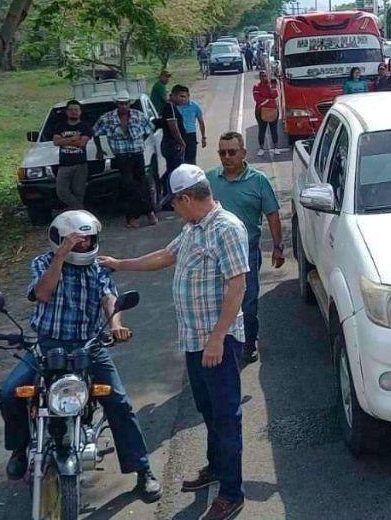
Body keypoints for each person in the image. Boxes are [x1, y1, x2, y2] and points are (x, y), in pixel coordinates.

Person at [101, 166, 248, 520]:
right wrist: (120, 264)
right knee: (208, 411)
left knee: (226, 416)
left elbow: (238, 285)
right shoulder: (193, 228)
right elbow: (166, 256)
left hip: (218, 342)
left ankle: (231, 493)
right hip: (195, 341)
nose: (174, 209)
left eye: (175, 203)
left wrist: (217, 338)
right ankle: (217, 466)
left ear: (186, 198)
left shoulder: (226, 228)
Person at [0, 211, 161, 501]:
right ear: (59, 239)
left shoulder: (99, 268)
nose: (84, 244)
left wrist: (115, 325)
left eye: (88, 239)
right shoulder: (43, 263)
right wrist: (61, 257)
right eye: (77, 240)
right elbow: (43, 293)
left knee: (119, 402)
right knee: (10, 393)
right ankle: (19, 450)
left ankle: (142, 470)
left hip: (89, 346)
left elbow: (109, 298)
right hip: (47, 345)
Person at [207, 133, 283, 365]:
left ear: (243, 153)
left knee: (247, 302)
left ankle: (249, 343)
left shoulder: (258, 181)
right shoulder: (209, 180)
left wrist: (278, 247)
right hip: (214, 255)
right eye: (222, 152)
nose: (227, 157)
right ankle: (221, 343)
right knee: (217, 302)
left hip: (246, 253)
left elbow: (272, 214)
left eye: (232, 152)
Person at [94, 93, 158, 229]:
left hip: (137, 154)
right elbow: (95, 132)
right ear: (116, 104)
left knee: (142, 183)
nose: (123, 106)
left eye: (126, 103)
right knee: (128, 186)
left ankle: (148, 213)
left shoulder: (139, 115)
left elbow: (150, 129)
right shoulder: (107, 118)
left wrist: (140, 141)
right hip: (121, 156)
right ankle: (134, 215)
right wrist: (99, 150)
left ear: (130, 103)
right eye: (120, 103)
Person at [53, 99, 93, 210]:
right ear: (66, 112)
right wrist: (73, 138)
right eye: (71, 110)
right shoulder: (60, 126)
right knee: (61, 191)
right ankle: (80, 209)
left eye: (76, 110)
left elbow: (82, 143)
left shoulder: (85, 126)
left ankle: (76, 213)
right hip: (64, 165)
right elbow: (56, 142)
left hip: (80, 164)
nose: (73, 112)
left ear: (80, 112)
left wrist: (64, 140)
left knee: (79, 192)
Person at [160, 85, 190, 195]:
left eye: (185, 97)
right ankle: (169, 194)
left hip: (171, 144)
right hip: (172, 144)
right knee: (174, 172)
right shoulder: (170, 107)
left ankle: (166, 190)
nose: (183, 99)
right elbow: (173, 127)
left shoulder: (172, 107)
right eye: (181, 96)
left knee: (172, 169)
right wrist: (182, 143)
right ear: (173, 95)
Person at [252, 71, 284, 157]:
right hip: (260, 112)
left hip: (273, 111)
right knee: (262, 130)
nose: (264, 77)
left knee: (274, 129)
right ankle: (261, 148)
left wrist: (271, 87)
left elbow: (275, 96)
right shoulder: (256, 87)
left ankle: (276, 147)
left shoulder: (271, 85)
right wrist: (269, 100)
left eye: (265, 76)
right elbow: (257, 99)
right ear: (259, 77)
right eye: (262, 76)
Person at [176, 86, 208, 164]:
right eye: (180, 96)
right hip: (179, 135)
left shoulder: (194, 106)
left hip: (191, 135)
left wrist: (203, 137)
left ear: (188, 96)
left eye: (183, 96)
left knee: (191, 159)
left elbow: (201, 122)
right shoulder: (175, 107)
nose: (182, 99)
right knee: (179, 160)